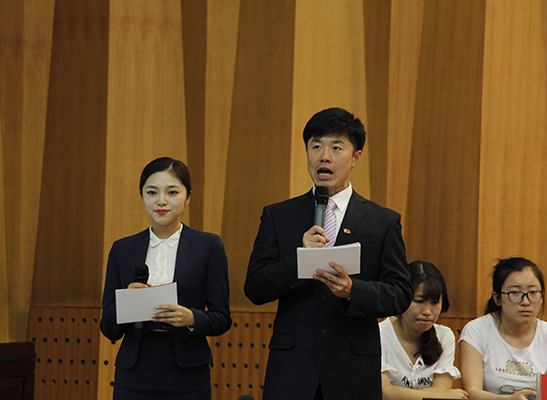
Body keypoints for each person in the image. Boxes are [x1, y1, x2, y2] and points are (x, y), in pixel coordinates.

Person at [244, 107, 413, 400]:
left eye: (336, 147)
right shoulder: (278, 216)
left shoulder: (382, 221)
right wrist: (299, 261)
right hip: (293, 370)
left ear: (355, 157)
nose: (324, 156)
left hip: (352, 372)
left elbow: (400, 293)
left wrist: (353, 291)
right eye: (316, 146)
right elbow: (255, 288)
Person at [100, 157, 232, 400]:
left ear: (188, 196)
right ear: (142, 196)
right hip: (134, 371)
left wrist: (192, 318)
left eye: (172, 192)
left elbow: (222, 318)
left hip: (187, 371)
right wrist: (127, 303)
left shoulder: (208, 246)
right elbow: (108, 327)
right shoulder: (122, 249)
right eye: (152, 192)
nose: (161, 201)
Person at [459, 257, 547, 400]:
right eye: (515, 293)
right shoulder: (477, 330)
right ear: (497, 298)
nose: (525, 301)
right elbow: (471, 392)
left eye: (533, 292)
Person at [380, 260, 468, 399]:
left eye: (435, 302)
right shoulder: (380, 333)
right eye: (419, 301)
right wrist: (442, 397)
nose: (427, 311)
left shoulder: (444, 336)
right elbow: (385, 392)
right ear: (402, 298)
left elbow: (442, 388)